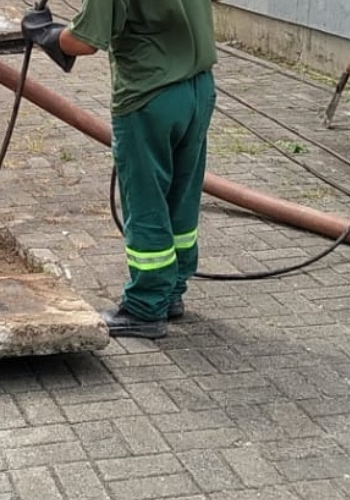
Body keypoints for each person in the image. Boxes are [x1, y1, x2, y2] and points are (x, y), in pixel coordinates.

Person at [22, 1, 218, 339]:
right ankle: (172, 292)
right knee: (182, 196)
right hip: (199, 90)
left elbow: (85, 41)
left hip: (150, 95)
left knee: (146, 201)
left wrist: (47, 35)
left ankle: (145, 306)